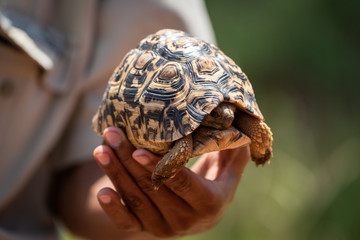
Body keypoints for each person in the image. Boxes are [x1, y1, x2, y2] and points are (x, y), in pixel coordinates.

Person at [0, 0, 251, 239]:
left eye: (226, 111)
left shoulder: (146, 9)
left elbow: (78, 176)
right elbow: (182, 141)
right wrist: (163, 172)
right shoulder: (185, 136)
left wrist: (149, 202)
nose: (226, 117)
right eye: (216, 113)